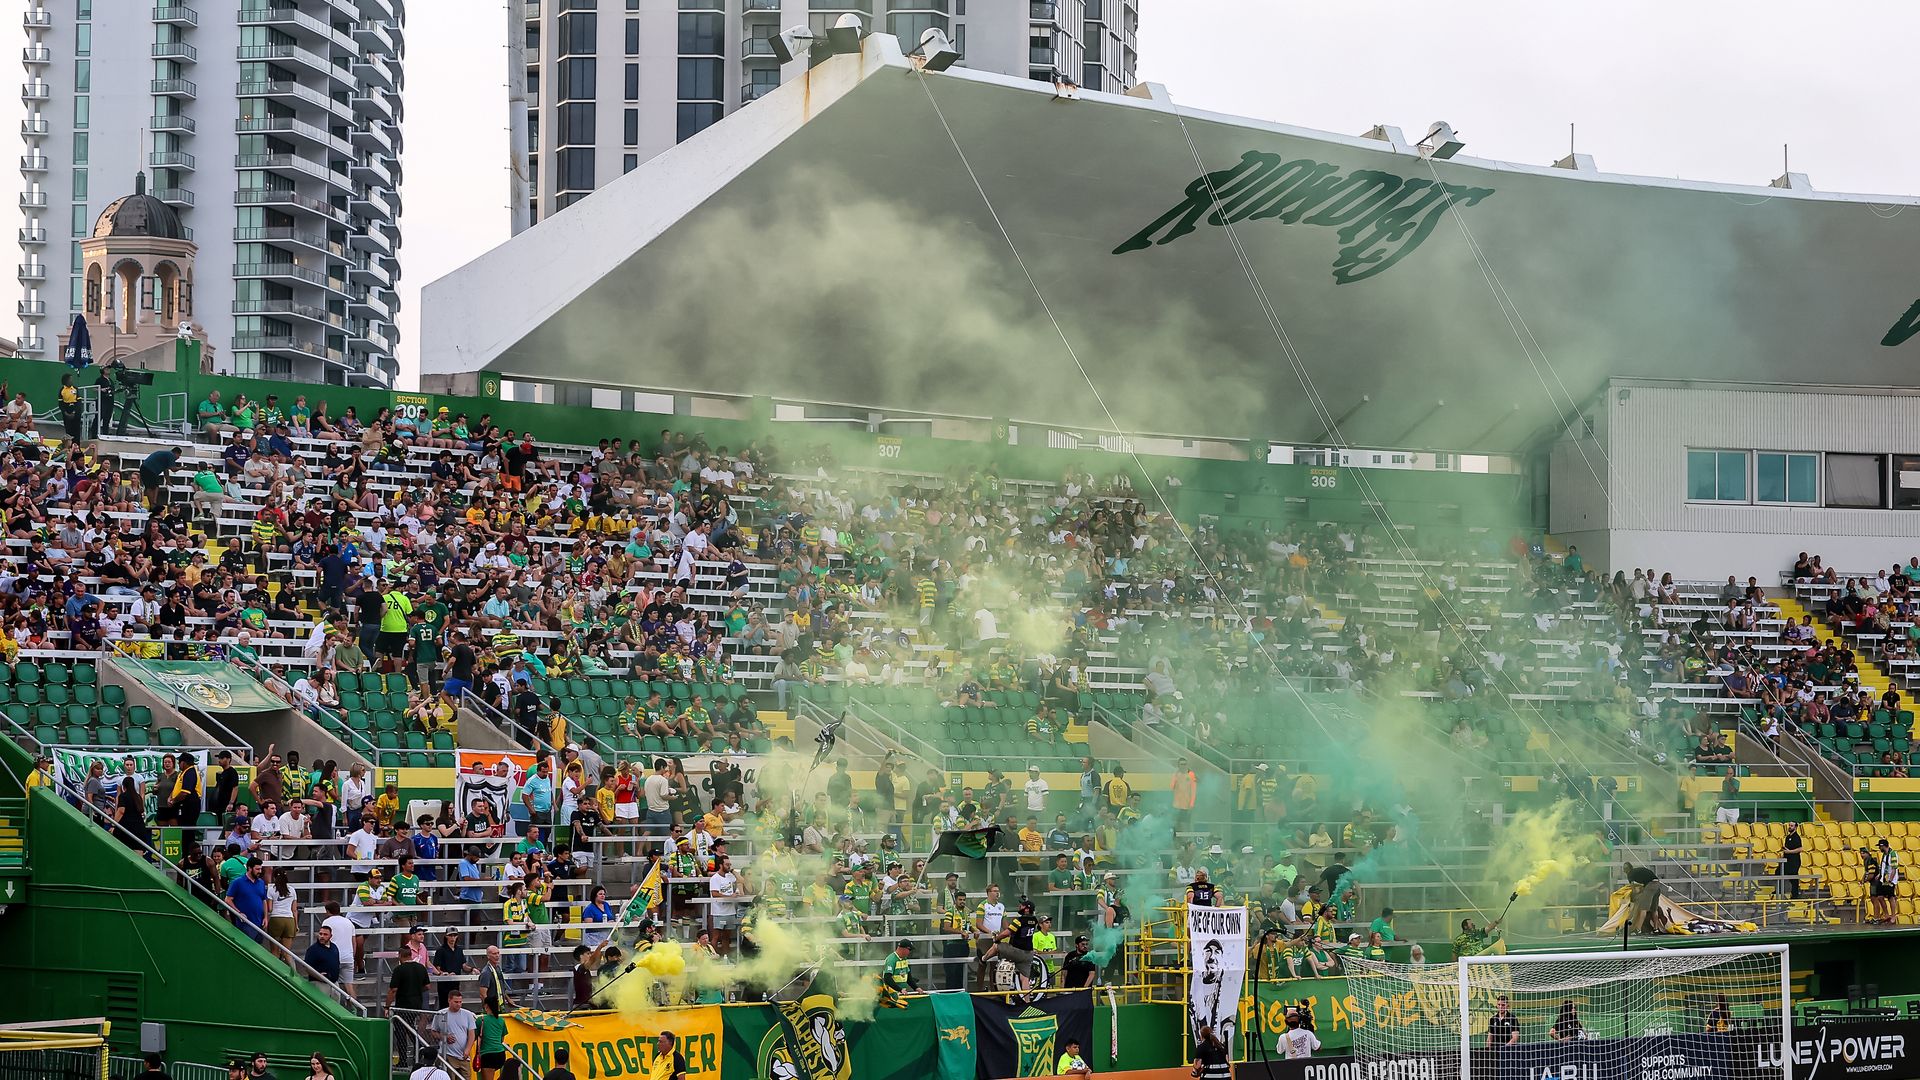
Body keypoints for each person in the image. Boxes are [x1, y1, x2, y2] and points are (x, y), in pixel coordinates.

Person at [430, 989, 479, 1072]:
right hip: (448, 1055)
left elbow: (472, 1034)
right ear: (449, 1000)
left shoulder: (468, 1014)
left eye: (460, 1002)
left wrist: (468, 1049)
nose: (459, 1004)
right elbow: (433, 1031)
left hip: (464, 1056)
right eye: (456, 1002)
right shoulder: (441, 1014)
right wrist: (444, 1037)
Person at [476, 998, 510, 1080]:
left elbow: (474, 1036)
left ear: (486, 1006)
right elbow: (501, 1039)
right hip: (500, 1054)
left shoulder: (481, 1020)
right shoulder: (501, 1020)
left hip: (488, 1054)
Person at [1781, 823, 1802, 900]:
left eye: (1791, 826)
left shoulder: (1797, 837)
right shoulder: (1787, 837)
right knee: (1779, 872)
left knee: (1794, 877)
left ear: (1795, 827)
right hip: (1787, 860)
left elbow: (1800, 849)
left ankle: (1795, 895)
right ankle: (1779, 890)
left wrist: (1790, 852)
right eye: (1789, 825)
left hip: (1794, 861)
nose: (1789, 827)